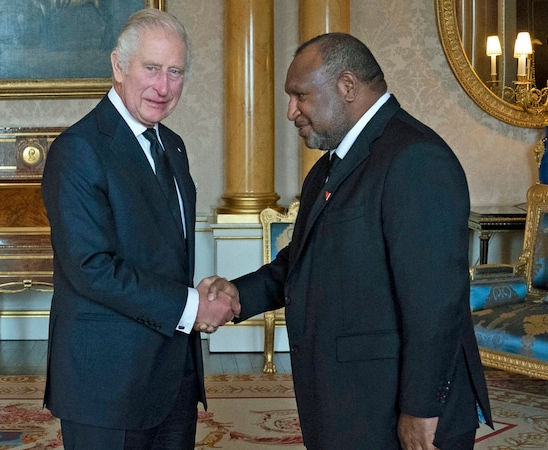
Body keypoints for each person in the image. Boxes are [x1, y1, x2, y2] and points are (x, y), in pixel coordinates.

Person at [206, 33, 493, 449]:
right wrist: (237, 295)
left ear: (346, 86)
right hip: (349, 402)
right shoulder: (328, 167)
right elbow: (302, 261)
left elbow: (435, 303)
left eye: (299, 95)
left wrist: (420, 409)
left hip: (396, 408)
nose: (291, 111)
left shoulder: (415, 158)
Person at [41, 9, 239, 449]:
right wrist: (192, 307)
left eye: (175, 72)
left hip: (172, 375)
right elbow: (91, 267)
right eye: (151, 68)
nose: (163, 87)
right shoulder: (78, 150)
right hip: (106, 383)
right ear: (118, 66)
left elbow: (164, 251)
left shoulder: (172, 144)